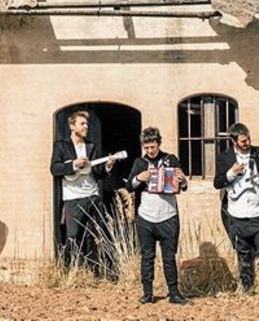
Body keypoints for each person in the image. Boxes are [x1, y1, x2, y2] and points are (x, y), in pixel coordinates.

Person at [214, 122, 259, 302]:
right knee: (242, 251)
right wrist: (231, 173)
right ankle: (247, 286)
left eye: (248, 139)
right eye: (243, 141)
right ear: (234, 141)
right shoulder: (225, 157)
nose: (247, 142)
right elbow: (217, 183)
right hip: (237, 212)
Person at [126, 127, 189, 305]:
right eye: (146, 148)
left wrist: (182, 180)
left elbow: (183, 186)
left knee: (169, 257)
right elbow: (129, 186)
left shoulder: (171, 159)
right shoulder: (139, 162)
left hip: (168, 215)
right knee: (147, 256)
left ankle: (174, 293)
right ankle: (147, 293)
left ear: (159, 143)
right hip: (146, 216)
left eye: (153, 147)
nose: (150, 151)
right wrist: (139, 178)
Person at [50, 110, 115, 269]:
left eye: (86, 124)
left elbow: (98, 173)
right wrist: (74, 164)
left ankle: (93, 271)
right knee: (72, 235)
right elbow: (55, 169)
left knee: (93, 235)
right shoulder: (61, 146)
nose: (86, 126)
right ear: (72, 126)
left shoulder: (91, 147)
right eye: (82, 123)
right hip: (72, 198)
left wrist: (107, 166)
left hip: (92, 195)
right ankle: (71, 271)